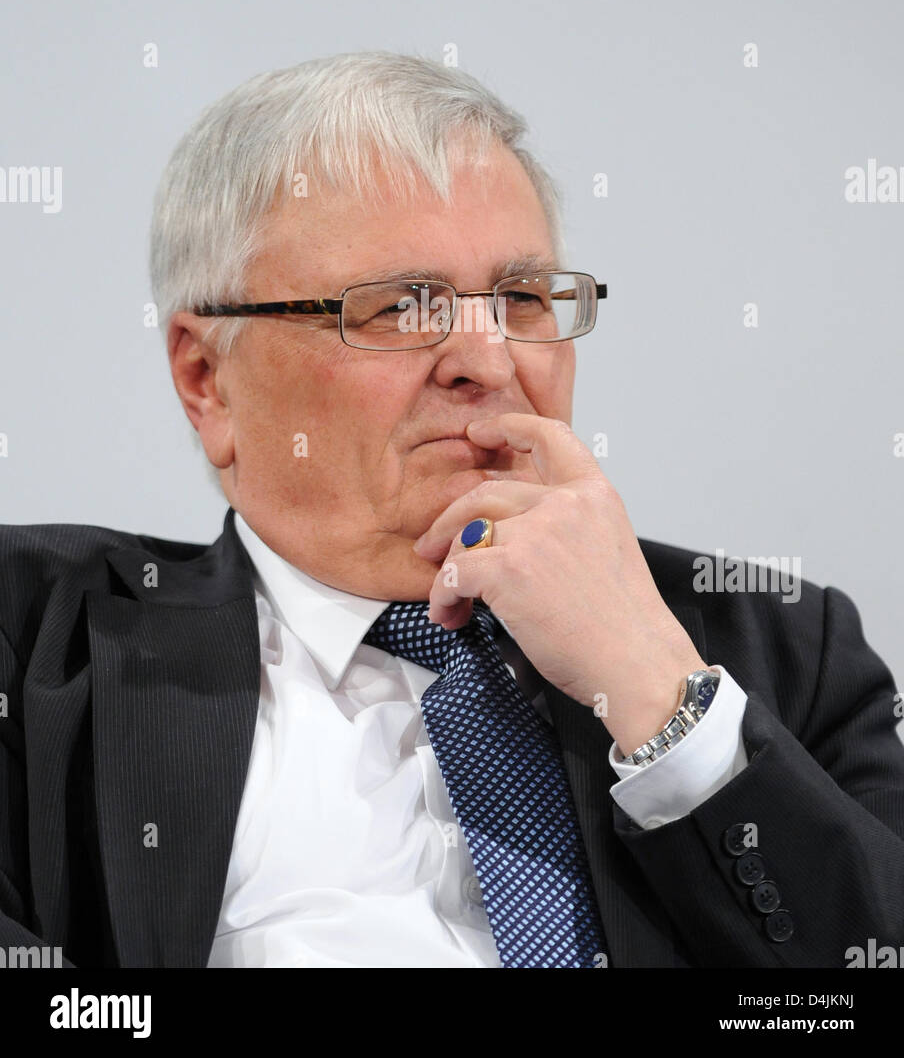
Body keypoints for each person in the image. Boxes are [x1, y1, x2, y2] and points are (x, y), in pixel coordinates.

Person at [2, 50, 903, 969]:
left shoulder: (782, 652)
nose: (489, 359)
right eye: (399, 307)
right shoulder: (31, 637)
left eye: (519, 298)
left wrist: (660, 695)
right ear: (207, 380)